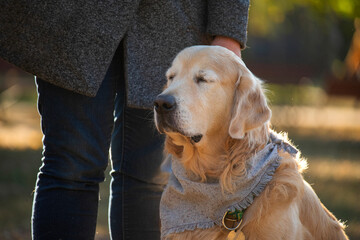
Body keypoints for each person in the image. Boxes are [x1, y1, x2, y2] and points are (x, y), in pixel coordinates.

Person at [0, 1, 249, 239]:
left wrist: (228, 31)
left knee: (151, 177)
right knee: (71, 167)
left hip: (174, 20)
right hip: (72, 17)